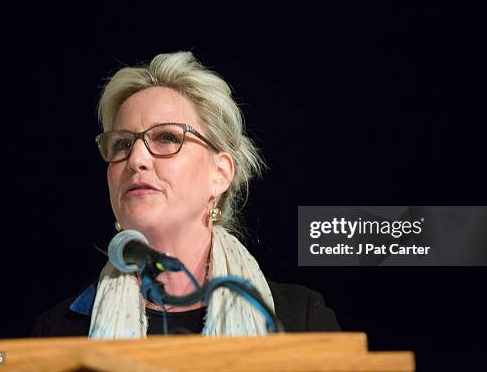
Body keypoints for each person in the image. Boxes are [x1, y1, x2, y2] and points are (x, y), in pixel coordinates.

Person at [31, 51, 340, 338]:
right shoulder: (59, 332)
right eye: (123, 144)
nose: (136, 159)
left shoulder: (301, 320)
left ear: (220, 173)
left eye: (167, 137)